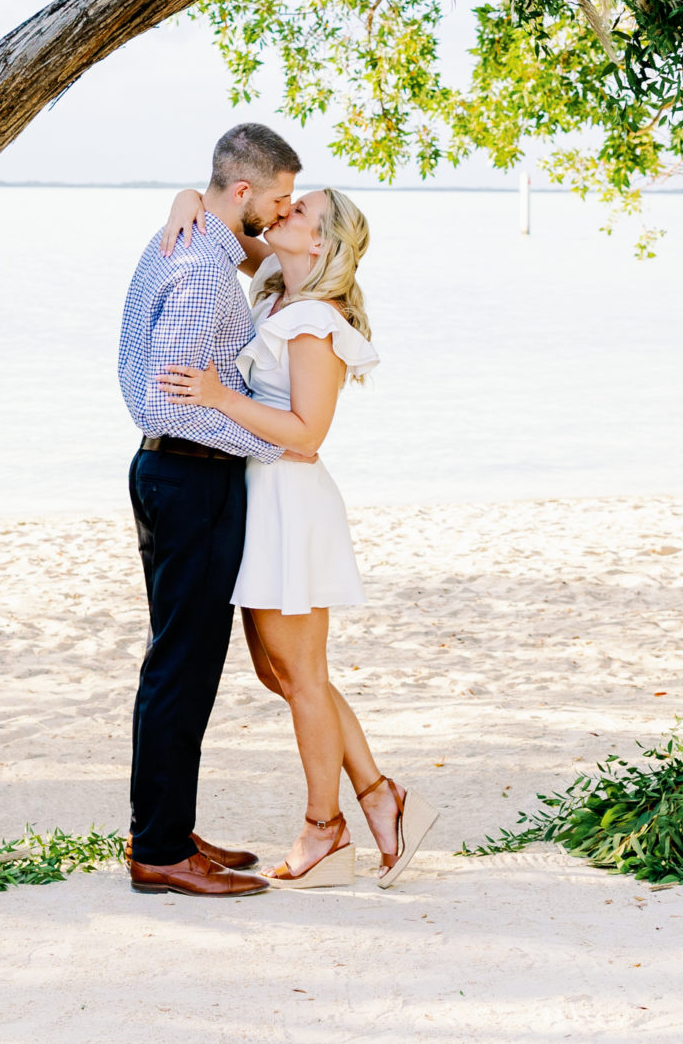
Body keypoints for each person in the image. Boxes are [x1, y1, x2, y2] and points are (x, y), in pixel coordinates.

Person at [156, 183, 437, 890]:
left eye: (300, 210)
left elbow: (310, 433)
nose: (282, 214)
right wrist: (188, 197)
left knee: (302, 677)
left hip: (290, 505)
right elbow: (231, 229)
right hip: (265, 495)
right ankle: (381, 796)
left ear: (322, 242)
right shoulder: (279, 291)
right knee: (281, 673)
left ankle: (326, 828)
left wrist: (221, 397)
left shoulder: (314, 320)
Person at [115, 122, 304, 898]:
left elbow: (258, 250)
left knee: (181, 661)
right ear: (242, 192)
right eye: (279, 197)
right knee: (182, 666)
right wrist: (273, 445)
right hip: (190, 476)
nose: (283, 211)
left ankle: (165, 827)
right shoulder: (201, 271)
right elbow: (176, 398)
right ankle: (159, 850)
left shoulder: (187, 242)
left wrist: (186, 194)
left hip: (176, 475)